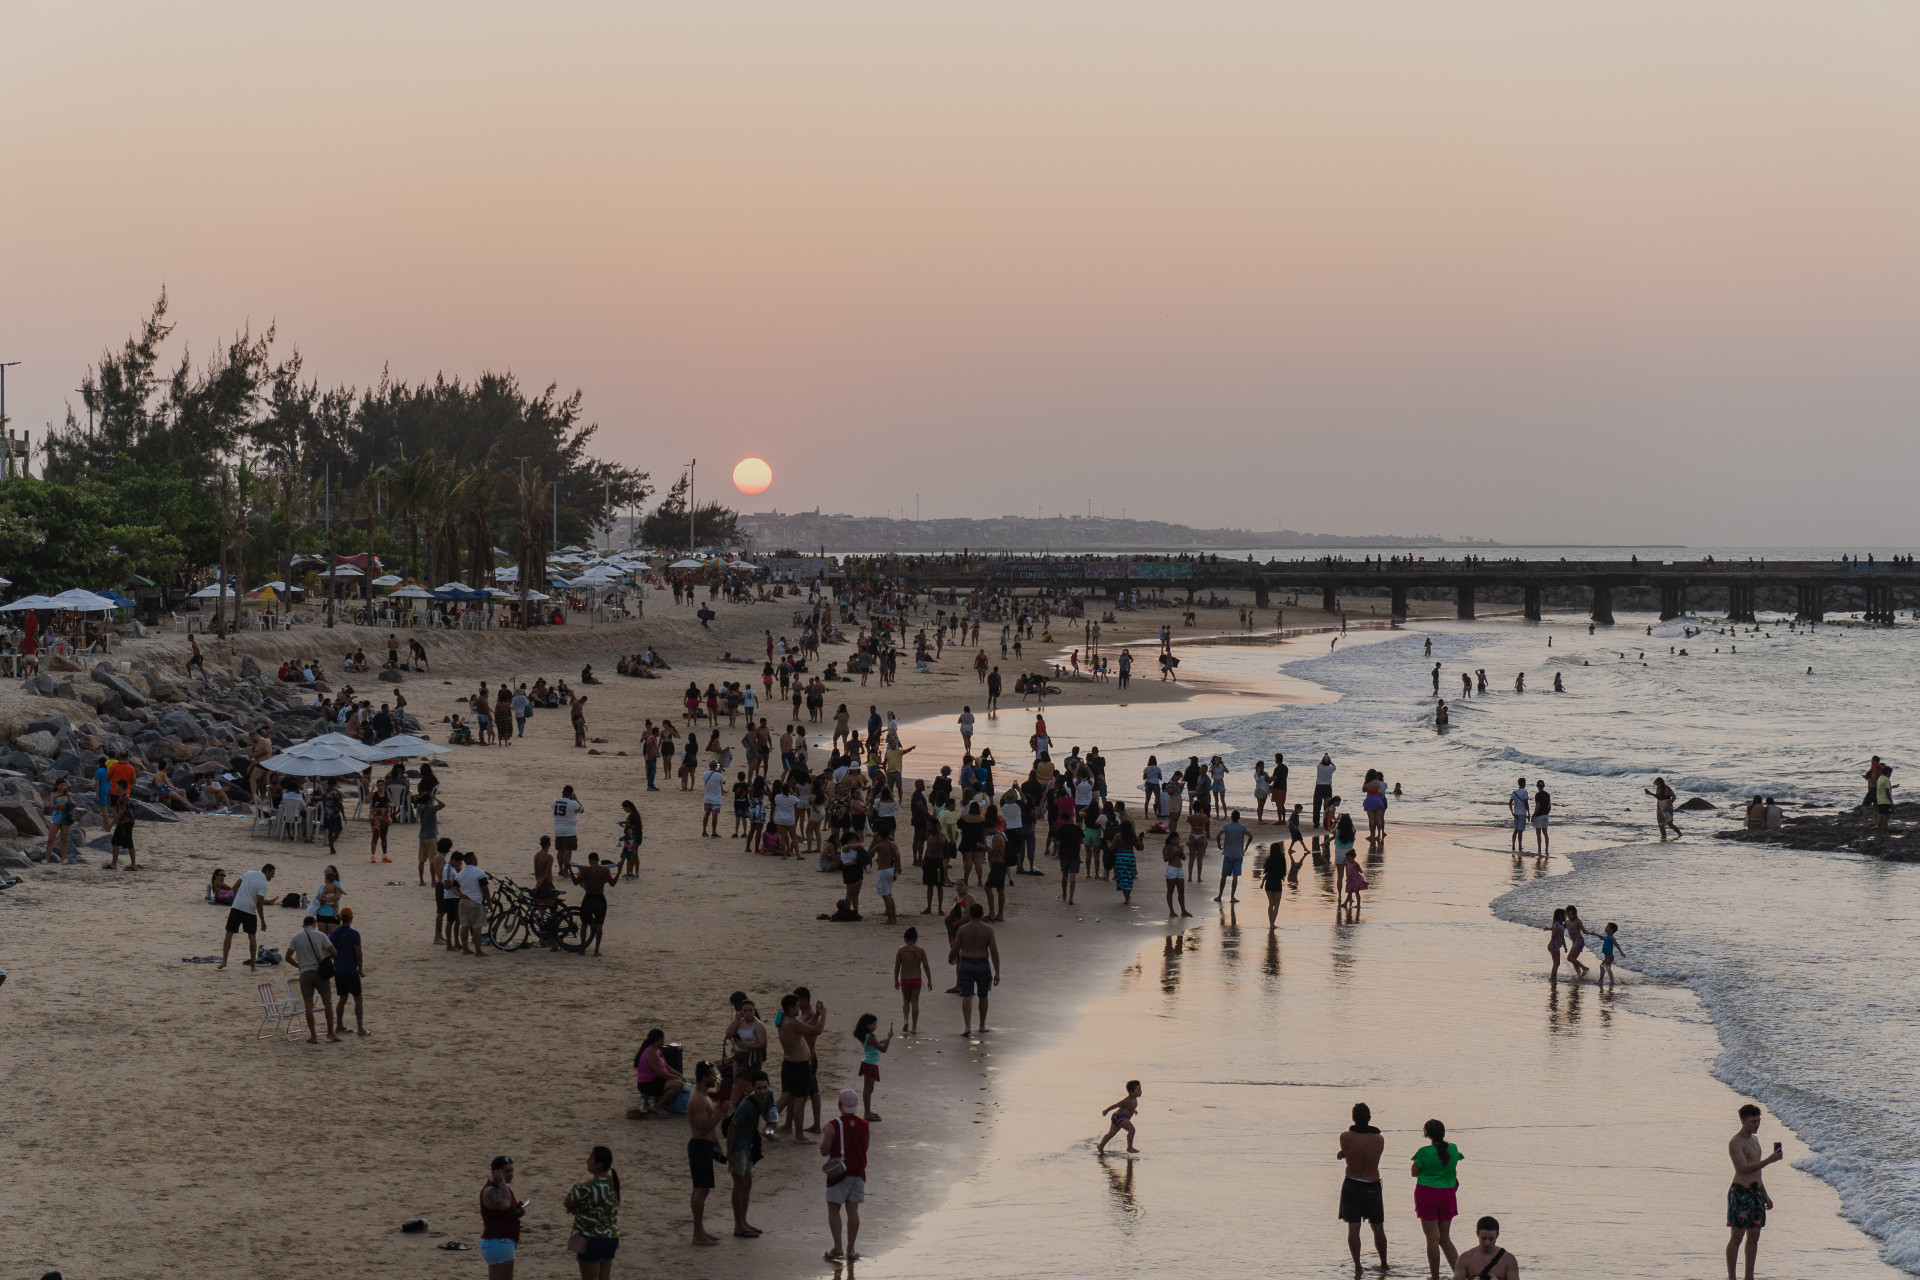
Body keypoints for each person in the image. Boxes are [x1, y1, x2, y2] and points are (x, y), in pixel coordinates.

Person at [1728, 1104, 1783, 1280]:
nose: (1756, 1125)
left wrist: (1765, 1195)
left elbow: (1756, 1173)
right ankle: (1732, 1277)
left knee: (1755, 1235)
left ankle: (1749, 1277)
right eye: (1753, 1122)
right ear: (1743, 1121)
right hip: (1740, 1192)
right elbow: (1743, 1169)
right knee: (1737, 1236)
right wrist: (1769, 1160)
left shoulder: (1755, 1141)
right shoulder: (1735, 1142)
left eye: (1758, 1121)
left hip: (1756, 1193)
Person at [820, 1088, 871, 1264]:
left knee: (834, 1209)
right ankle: (851, 1249)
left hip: (839, 1174)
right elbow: (865, 1147)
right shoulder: (864, 1124)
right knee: (853, 1211)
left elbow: (823, 1151)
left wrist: (825, 1132)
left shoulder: (833, 1125)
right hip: (858, 1172)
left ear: (840, 1104)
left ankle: (837, 1247)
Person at [1339, 1102, 1389, 1274]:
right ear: (1369, 1118)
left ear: (1353, 1118)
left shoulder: (1345, 1136)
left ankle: (1358, 1266)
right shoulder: (1378, 1139)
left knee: (1354, 1226)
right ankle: (1384, 1263)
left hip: (1352, 1184)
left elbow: (1349, 1151)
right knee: (1378, 1228)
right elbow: (1370, 1154)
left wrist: (1344, 1153)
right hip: (1372, 1185)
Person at [1412, 1119, 1462, 1279]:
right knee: (1445, 1238)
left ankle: (1435, 1277)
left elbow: (1414, 1172)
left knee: (1432, 1239)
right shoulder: (1453, 1149)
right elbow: (1454, 1163)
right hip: (1447, 1194)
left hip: (1427, 1194)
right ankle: (1460, 1274)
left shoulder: (1423, 1152)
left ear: (1427, 1134)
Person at [727, 1072, 775, 1238]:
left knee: (747, 1183)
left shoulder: (769, 1096)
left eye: (764, 1087)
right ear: (753, 1089)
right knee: (739, 1185)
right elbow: (732, 1128)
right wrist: (729, 1153)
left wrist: (770, 1127)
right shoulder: (746, 1105)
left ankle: (743, 1221)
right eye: (758, 1088)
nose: (762, 1091)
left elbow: (770, 1115)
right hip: (739, 1146)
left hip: (749, 1144)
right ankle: (738, 1225)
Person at [563, 1145, 621, 1277]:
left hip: (592, 1238)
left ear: (599, 1164)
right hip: (611, 1235)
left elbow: (568, 1202)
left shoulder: (587, 1187)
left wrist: (576, 1208)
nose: (587, 1161)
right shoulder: (613, 1183)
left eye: (590, 1159)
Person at [775, 994, 826, 1143]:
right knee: (800, 1099)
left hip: (789, 1064)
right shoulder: (791, 1022)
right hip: (799, 1065)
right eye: (796, 1006)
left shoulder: (782, 1019)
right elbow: (816, 1030)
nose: (799, 1008)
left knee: (785, 1097)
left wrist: (816, 1014)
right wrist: (823, 1016)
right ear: (791, 1008)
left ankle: (769, 1127)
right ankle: (799, 1135)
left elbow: (804, 1026)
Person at [286, 915, 339, 1044]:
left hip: (305, 973)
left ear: (303, 926)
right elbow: (334, 952)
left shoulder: (296, 937)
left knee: (308, 1005)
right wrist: (326, 957)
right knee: (327, 1002)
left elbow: (287, 957)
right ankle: (330, 1033)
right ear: (314, 924)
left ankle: (313, 1036)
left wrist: (299, 966)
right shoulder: (321, 936)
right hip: (320, 972)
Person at [688, 1061, 723, 1246]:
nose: (714, 1077)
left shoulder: (703, 1096)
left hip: (705, 1146)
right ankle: (697, 1234)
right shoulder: (697, 1100)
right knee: (700, 1190)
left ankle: (700, 1230)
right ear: (703, 1077)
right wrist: (721, 1113)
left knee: (702, 1189)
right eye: (711, 1075)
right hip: (699, 1145)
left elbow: (708, 1126)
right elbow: (703, 1128)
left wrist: (716, 1144)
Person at [952, 903, 1000, 1035]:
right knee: (983, 996)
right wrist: (997, 972)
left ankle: (967, 1026)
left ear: (971, 914)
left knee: (966, 995)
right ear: (982, 914)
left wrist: (951, 959)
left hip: (966, 963)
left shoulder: (962, 929)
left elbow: (955, 948)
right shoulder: (988, 930)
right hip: (982, 963)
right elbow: (994, 952)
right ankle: (982, 1025)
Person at [217, 863, 276, 969]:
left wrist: (237, 900)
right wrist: (263, 920)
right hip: (250, 911)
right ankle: (253, 965)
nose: (273, 876)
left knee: (229, 934)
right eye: (272, 874)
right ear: (266, 871)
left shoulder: (248, 873)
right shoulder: (264, 884)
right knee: (252, 937)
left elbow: (235, 887)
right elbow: (259, 903)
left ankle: (224, 961)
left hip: (237, 907)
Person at [480, 1155, 526, 1279]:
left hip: (499, 1242)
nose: (511, 1174)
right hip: (499, 1242)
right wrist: (501, 1181)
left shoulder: (503, 1189)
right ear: (496, 1172)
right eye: (507, 1171)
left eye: (512, 1171)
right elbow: (504, 1204)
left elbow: (507, 1210)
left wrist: (517, 1212)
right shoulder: (490, 1190)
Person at [570, 853, 619, 956]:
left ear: (589, 860)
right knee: (599, 925)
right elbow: (612, 883)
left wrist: (569, 870)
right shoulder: (605, 870)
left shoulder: (586, 870)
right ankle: (596, 950)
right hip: (600, 898)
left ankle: (583, 949)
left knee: (584, 924)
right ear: (598, 859)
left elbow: (575, 882)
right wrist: (619, 872)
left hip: (589, 898)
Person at [329, 906, 368, 1036]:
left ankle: (339, 1025)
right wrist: (360, 968)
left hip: (338, 970)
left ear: (340, 918)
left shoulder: (334, 933)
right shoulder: (354, 934)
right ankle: (360, 1028)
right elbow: (358, 952)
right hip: (350, 970)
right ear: (351, 918)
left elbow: (331, 951)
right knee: (358, 999)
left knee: (342, 998)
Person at [633, 1028, 685, 1114]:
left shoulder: (657, 1050)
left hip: (655, 1080)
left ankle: (659, 1102)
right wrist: (677, 1078)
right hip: (647, 1084)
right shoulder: (651, 1053)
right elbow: (660, 1073)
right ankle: (658, 1105)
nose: (664, 1042)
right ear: (658, 1040)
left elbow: (667, 1067)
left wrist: (679, 1075)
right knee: (678, 1085)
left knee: (679, 1082)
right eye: (663, 1040)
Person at [852, 1012, 893, 1120]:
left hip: (868, 1063)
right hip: (870, 1064)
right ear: (868, 1025)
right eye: (874, 1024)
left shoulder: (866, 1036)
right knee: (868, 1089)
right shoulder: (871, 1037)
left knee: (869, 1089)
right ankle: (867, 1113)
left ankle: (868, 1111)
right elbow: (883, 1050)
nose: (876, 1026)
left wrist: (881, 1042)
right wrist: (889, 1038)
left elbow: (873, 1047)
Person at [1452, 1217, 1518, 1280]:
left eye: (1491, 1239)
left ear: (1497, 1235)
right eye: (1483, 1238)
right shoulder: (1465, 1258)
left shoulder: (1509, 1259)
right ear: (1477, 1234)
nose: (1487, 1243)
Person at [893, 928, 932, 1033]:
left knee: (906, 1001)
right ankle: (914, 1027)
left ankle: (906, 1020)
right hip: (916, 979)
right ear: (916, 938)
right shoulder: (921, 951)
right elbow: (926, 966)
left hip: (905, 979)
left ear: (905, 938)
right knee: (915, 1002)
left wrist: (896, 980)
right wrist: (929, 980)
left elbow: (897, 967)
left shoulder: (901, 951)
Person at [455, 849, 491, 958]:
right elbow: (485, 889)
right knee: (477, 927)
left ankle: (465, 949)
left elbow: (454, 887)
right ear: (473, 860)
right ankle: (478, 951)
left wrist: (460, 895)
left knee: (464, 925)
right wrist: (489, 902)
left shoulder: (460, 874)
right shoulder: (479, 872)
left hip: (463, 902)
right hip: (475, 901)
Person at [1097, 1080, 1142, 1155]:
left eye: (1140, 1090)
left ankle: (1101, 1146)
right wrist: (1106, 1110)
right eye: (1138, 1090)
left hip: (1117, 1117)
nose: (1141, 1092)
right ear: (1131, 1092)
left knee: (1111, 1133)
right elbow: (1116, 1105)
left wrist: (1134, 1110)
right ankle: (1129, 1147)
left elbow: (1129, 1108)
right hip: (1119, 1117)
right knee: (1132, 1130)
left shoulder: (1134, 1100)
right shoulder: (1127, 1100)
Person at [1215, 810, 1250, 904]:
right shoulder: (1243, 827)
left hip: (1228, 853)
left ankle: (1219, 896)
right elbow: (1250, 836)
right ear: (1239, 818)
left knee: (1224, 876)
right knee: (1235, 877)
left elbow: (1218, 836)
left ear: (1231, 817)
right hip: (1238, 854)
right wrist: (1246, 846)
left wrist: (1219, 845)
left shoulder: (1226, 826)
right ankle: (1232, 897)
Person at [415, 783, 445, 886]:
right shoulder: (431, 809)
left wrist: (422, 798)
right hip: (431, 836)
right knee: (432, 860)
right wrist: (435, 798)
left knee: (421, 860)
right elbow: (442, 805)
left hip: (422, 836)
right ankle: (433, 881)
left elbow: (418, 801)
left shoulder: (420, 808)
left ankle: (421, 881)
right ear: (428, 801)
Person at [552, 785, 585, 873]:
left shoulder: (555, 801)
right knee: (568, 850)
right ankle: (566, 870)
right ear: (571, 794)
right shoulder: (573, 803)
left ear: (562, 792)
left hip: (558, 829)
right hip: (569, 831)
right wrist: (576, 799)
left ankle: (560, 869)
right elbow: (582, 810)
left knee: (560, 850)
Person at [107, 794, 136, 870]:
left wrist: (111, 824)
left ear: (121, 787)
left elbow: (121, 813)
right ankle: (114, 863)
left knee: (129, 843)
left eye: (117, 786)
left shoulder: (123, 798)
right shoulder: (122, 798)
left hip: (125, 823)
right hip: (122, 823)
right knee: (115, 841)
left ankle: (133, 865)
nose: (116, 787)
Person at [1313, 753, 1336, 827]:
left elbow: (1319, 763)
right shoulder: (1331, 768)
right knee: (1328, 806)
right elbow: (1334, 767)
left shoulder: (1319, 767)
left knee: (1317, 805)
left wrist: (1324, 757)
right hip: (1327, 787)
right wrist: (1330, 760)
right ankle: (1326, 822)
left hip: (1319, 786)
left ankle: (1316, 823)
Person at [1508, 777, 1530, 854]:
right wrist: (1529, 813)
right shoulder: (1525, 792)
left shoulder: (1514, 793)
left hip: (1516, 813)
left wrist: (1512, 812)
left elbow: (1510, 803)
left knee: (1515, 830)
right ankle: (1520, 846)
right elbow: (1526, 804)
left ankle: (1513, 845)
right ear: (1524, 784)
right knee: (1520, 831)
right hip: (1522, 813)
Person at [1531, 780, 1551, 856]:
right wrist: (1547, 812)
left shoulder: (1537, 795)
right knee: (1545, 833)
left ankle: (1539, 849)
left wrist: (1533, 815)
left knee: (1538, 834)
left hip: (1539, 815)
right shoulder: (1547, 794)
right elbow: (1549, 806)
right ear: (1544, 786)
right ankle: (1546, 849)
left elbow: (1538, 806)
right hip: (1546, 815)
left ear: (1537, 786)